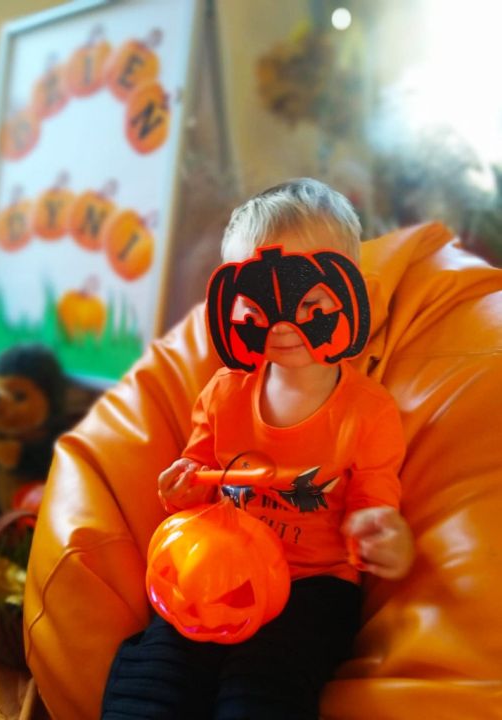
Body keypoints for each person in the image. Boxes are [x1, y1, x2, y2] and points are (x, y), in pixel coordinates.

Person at [101, 178, 415, 720]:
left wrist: (383, 535)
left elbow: (374, 504)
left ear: (350, 294)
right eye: (262, 304)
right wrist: (182, 489)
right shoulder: (224, 393)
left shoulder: (368, 412)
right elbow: (198, 475)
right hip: (218, 567)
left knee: (263, 691)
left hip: (311, 587)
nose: (285, 323)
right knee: (154, 677)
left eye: (306, 299)